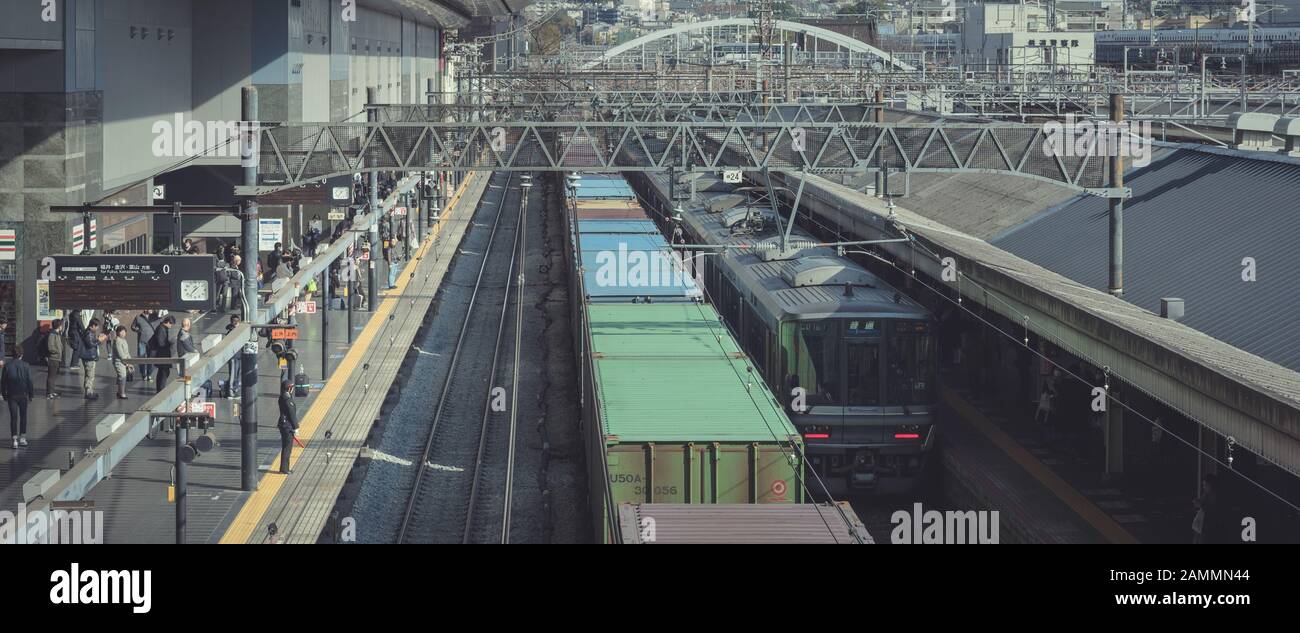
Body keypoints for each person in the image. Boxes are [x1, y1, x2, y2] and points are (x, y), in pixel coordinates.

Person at [2, 346, 35, 448]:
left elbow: (3, 382)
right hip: (23, 394)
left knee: (13, 417)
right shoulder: (26, 365)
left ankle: (14, 439)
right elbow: (29, 381)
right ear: (21, 354)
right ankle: (23, 438)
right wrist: (31, 394)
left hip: (12, 395)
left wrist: (4, 394)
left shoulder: (7, 366)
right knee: (23, 416)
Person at [277, 380, 299, 474]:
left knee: (286, 447)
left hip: (284, 424)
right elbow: (291, 414)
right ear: (289, 388)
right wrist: (296, 427)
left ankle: (284, 467)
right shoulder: (287, 399)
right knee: (287, 448)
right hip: (287, 426)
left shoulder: (283, 397)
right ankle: (284, 469)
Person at [150, 316, 176, 393]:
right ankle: (160, 389)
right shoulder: (161, 329)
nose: (171, 326)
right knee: (163, 372)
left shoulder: (163, 328)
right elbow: (161, 343)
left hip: (162, 354)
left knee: (163, 372)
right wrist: (170, 343)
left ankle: (160, 388)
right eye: (171, 324)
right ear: (167, 322)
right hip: (162, 354)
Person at [80, 318, 104, 399]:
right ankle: (88, 392)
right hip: (89, 357)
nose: (97, 328)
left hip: (89, 356)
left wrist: (98, 339)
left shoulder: (89, 333)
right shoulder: (89, 333)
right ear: (92, 325)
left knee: (90, 374)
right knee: (90, 375)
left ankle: (90, 391)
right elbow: (90, 344)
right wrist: (99, 340)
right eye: (96, 326)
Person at [1192, 473, 1219, 544]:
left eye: (1205, 485)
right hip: (1201, 528)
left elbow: (1213, 511)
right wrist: (1197, 503)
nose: (1204, 487)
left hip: (1209, 529)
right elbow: (1199, 505)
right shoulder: (1205, 494)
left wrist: (1201, 505)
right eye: (1203, 485)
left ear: (1211, 485)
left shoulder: (1215, 496)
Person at [132, 310, 156, 383]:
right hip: (141, 341)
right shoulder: (138, 317)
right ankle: (143, 374)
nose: (152, 310)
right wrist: (137, 329)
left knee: (151, 358)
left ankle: (149, 374)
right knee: (141, 358)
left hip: (152, 341)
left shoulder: (154, 317)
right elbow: (133, 326)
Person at [44, 319, 65, 398]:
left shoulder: (57, 334)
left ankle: (52, 391)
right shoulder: (52, 334)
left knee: (53, 376)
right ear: (59, 326)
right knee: (51, 376)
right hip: (53, 358)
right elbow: (50, 347)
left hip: (56, 358)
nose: (62, 327)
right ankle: (49, 393)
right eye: (61, 325)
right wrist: (57, 351)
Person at [110, 325, 132, 399]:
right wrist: (127, 363)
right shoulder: (117, 341)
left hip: (125, 361)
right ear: (117, 332)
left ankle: (119, 392)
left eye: (124, 332)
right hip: (119, 362)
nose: (123, 333)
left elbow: (127, 352)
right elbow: (121, 354)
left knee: (122, 377)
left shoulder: (124, 340)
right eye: (121, 332)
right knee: (122, 377)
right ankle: (122, 393)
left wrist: (130, 360)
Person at [226, 315, 243, 396]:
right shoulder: (231, 331)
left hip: (239, 355)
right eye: (234, 321)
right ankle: (231, 391)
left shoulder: (239, 330)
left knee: (237, 374)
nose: (236, 323)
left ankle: (235, 389)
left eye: (237, 321)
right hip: (233, 356)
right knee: (233, 374)